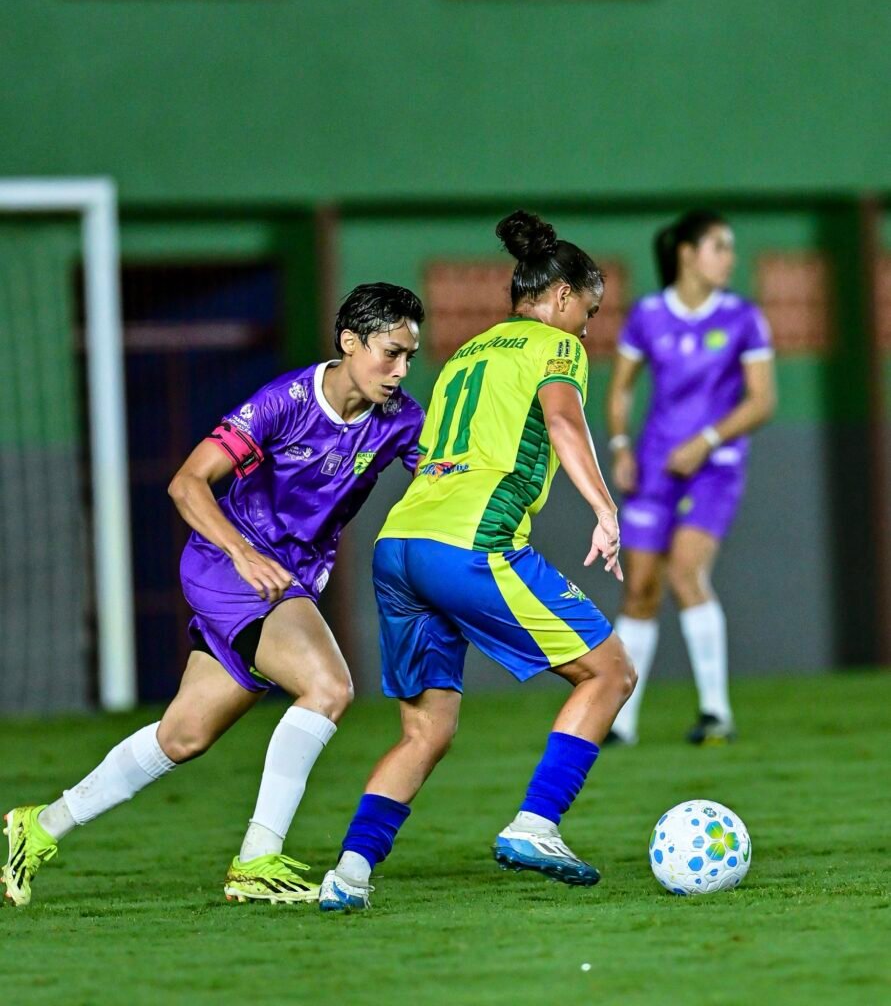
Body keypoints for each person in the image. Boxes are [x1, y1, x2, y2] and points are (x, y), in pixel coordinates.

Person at [2, 282, 425, 908]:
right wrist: (243, 551)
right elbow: (186, 483)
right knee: (329, 687)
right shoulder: (284, 402)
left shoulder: (402, 419)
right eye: (390, 353)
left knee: (183, 736)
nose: (400, 370)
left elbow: (441, 483)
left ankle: (35, 828)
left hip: (286, 579)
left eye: (410, 356)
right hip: (231, 566)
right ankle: (257, 857)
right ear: (349, 342)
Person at [317, 211, 635, 912]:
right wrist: (604, 509)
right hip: (469, 543)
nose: (585, 329)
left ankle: (348, 873)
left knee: (426, 729)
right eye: (587, 311)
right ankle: (536, 823)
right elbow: (560, 418)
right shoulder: (555, 346)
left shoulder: (468, 350)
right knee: (608, 671)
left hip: (399, 544)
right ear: (558, 298)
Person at [605, 211, 776, 746]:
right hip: (654, 466)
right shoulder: (648, 316)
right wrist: (620, 444)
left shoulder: (745, 317)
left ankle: (715, 712)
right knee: (639, 588)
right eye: (720, 247)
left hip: (715, 469)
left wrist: (708, 440)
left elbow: (763, 401)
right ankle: (620, 722)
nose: (731, 258)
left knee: (684, 572)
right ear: (687, 252)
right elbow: (622, 389)